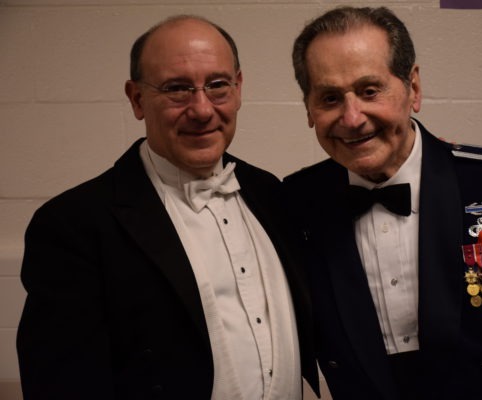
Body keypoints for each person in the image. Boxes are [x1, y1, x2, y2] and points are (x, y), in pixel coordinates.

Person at [284, 6, 482, 400]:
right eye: (330, 97)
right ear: (309, 110)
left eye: (369, 90)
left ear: (412, 88)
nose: (352, 118)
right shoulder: (296, 203)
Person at [17, 15, 318, 400]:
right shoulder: (72, 225)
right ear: (137, 99)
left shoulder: (270, 192)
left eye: (218, 85)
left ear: (239, 87)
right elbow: (59, 385)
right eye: (177, 89)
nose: (202, 109)